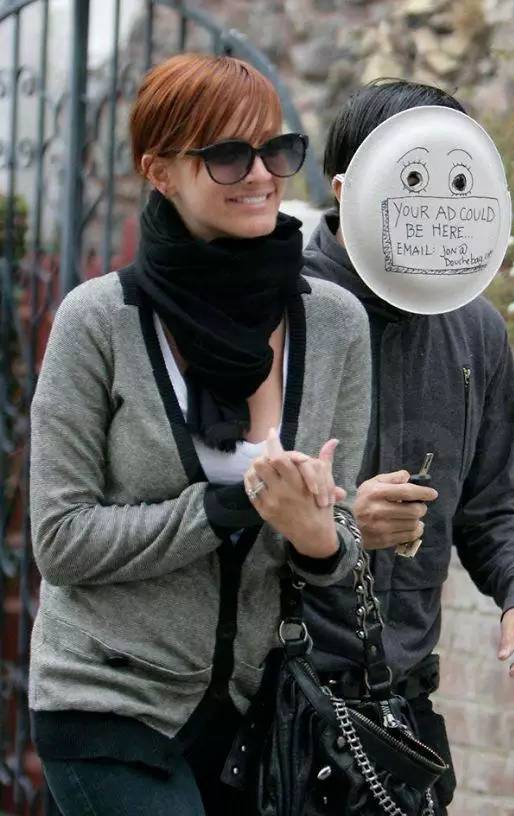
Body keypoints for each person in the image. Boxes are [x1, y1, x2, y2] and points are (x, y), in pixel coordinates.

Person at [28, 53, 371, 816]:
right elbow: (59, 539)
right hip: (106, 701)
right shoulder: (99, 321)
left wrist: (314, 532)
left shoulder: (336, 324)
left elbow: (341, 542)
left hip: (255, 717)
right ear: (160, 172)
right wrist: (225, 508)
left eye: (276, 149)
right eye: (227, 155)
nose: (261, 174)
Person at [302, 79, 514, 815]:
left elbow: (492, 503)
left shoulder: (476, 330)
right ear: (347, 188)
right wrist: (344, 522)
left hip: (403, 708)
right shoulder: (279, 308)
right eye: (413, 182)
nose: (435, 211)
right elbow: (224, 505)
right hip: (279, 695)